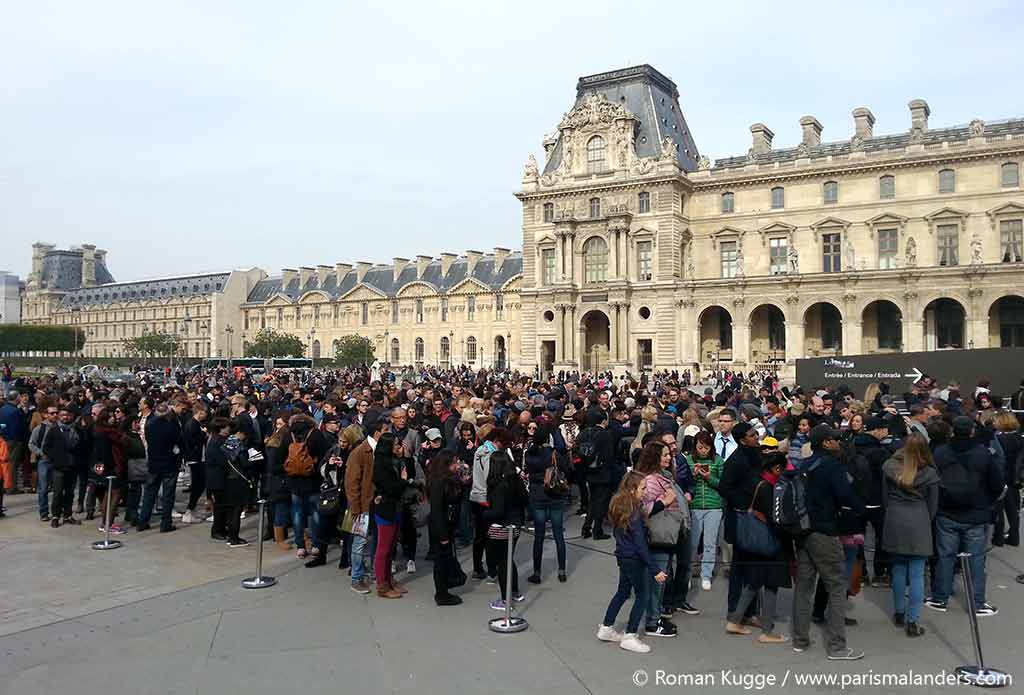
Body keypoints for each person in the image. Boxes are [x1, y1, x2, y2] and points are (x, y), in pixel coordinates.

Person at [791, 424, 866, 661]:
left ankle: (800, 640)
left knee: (804, 587)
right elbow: (846, 495)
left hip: (804, 531)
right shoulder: (832, 466)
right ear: (825, 443)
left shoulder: (805, 465)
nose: (839, 442)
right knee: (836, 585)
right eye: (835, 439)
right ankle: (837, 646)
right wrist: (865, 511)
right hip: (825, 532)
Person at [926, 416, 1004, 617]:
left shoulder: (941, 452)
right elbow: (996, 483)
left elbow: (932, 480)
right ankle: (977, 603)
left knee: (945, 557)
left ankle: (939, 598)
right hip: (976, 514)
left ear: (953, 431)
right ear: (971, 431)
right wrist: (987, 503)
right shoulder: (983, 453)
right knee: (976, 559)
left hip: (946, 512)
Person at [597, 470, 668, 654]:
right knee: (642, 595)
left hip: (623, 556)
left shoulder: (620, 506)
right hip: (634, 559)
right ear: (632, 489)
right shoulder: (634, 512)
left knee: (622, 592)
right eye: (643, 488)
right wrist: (655, 569)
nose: (645, 491)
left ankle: (606, 627)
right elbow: (640, 544)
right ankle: (630, 634)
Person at [725, 452, 791, 644]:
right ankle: (767, 630)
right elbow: (775, 517)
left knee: (753, 583)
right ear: (776, 468)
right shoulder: (769, 488)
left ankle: (736, 620)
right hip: (770, 541)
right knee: (771, 584)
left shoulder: (755, 482)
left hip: (754, 540)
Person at [881, 433, 939, 638]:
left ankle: (898, 612)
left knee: (897, 569)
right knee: (916, 574)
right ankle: (913, 621)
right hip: (919, 518)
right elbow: (933, 505)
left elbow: (885, 497)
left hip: (895, 516)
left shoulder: (890, 466)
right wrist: (925, 519)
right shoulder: (929, 472)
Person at [634, 441, 681, 639]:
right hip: (658, 536)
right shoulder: (652, 480)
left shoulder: (662, 476)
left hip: (666, 535)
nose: (668, 458)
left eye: (669, 454)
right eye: (664, 454)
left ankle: (655, 616)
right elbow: (644, 509)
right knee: (656, 580)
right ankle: (652, 621)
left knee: (661, 578)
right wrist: (665, 501)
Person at [483, 439, 528, 610]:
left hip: (501, 526)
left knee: (502, 562)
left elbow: (497, 512)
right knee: (509, 559)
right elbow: (525, 500)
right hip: (516, 524)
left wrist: (484, 515)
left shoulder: (498, 486)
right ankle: (515, 591)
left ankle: (505, 600)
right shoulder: (515, 481)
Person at [345, 415, 387, 594]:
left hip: (376, 504)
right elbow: (352, 483)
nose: (388, 433)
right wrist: (355, 508)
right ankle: (356, 577)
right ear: (377, 433)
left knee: (375, 541)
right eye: (386, 430)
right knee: (359, 543)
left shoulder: (380, 449)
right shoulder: (360, 452)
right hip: (361, 505)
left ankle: (371, 571)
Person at [525, 420, 570, 584]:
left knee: (539, 535)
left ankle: (537, 572)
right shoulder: (553, 453)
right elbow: (565, 466)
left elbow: (528, 470)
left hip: (538, 495)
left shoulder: (529, 454)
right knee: (559, 534)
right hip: (555, 494)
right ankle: (562, 570)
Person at [372, 431, 415, 599]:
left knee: (391, 547)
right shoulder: (381, 464)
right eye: (396, 444)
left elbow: (408, 473)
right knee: (383, 549)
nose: (399, 446)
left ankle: (389, 579)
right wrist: (403, 481)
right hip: (386, 508)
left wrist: (406, 458)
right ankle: (382, 585)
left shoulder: (395, 461)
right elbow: (392, 487)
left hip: (396, 507)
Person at [137, 399, 186, 533]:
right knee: (168, 494)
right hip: (170, 462)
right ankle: (165, 523)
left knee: (149, 493)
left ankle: (143, 521)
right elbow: (181, 442)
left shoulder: (149, 425)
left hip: (154, 461)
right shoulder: (171, 426)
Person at [686, 431, 724, 593]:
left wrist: (710, 477)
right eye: (700, 447)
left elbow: (723, 483)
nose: (703, 451)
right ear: (695, 447)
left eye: (706, 447)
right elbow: (684, 483)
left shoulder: (717, 460)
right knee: (692, 543)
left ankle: (706, 574)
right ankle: (686, 575)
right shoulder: (688, 461)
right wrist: (693, 476)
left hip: (713, 505)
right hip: (694, 505)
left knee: (710, 543)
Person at [428, 449, 465, 606]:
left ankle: (444, 589)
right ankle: (441, 593)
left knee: (444, 559)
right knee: (441, 561)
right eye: (454, 463)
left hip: (448, 527)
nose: (457, 465)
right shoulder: (439, 482)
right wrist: (443, 535)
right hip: (441, 528)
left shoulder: (448, 480)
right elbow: (436, 510)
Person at [580, 408, 615, 540]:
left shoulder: (584, 433)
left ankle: (586, 527)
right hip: (602, 472)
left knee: (592, 500)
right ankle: (597, 529)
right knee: (601, 502)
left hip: (588, 471)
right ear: (604, 420)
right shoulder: (605, 435)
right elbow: (609, 456)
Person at [992, 410, 1021, 547]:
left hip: (1002, 475)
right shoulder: (1019, 438)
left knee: (999, 507)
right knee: (1012, 508)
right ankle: (1014, 536)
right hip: (1015, 476)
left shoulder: (999, 439)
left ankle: (998, 536)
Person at [181, 403, 209, 524]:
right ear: (200, 412)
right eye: (205, 412)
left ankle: (192, 509)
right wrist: (204, 434)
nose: (206, 415)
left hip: (197, 458)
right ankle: (190, 510)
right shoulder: (192, 424)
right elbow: (191, 441)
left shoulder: (195, 424)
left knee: (199, 484)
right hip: (195, 458)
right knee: (198, 485)